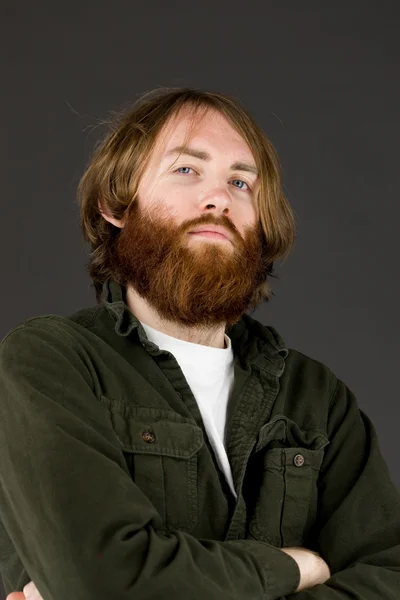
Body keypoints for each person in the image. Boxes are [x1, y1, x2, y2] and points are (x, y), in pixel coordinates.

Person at [1, 87, 399, 600]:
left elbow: (389, 577)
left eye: (240, 182)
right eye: (187, 170)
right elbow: (104, 578)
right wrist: (294, 567)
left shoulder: (317, 400)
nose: (219, 199)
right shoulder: (51, 362)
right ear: (116, 206)